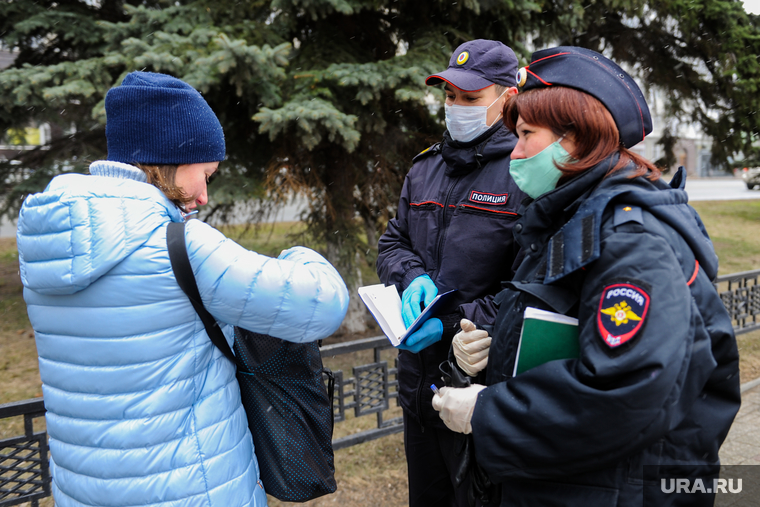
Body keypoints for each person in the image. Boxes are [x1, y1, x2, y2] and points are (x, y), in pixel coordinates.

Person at [16, 71, 349, 507]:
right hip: (190, 489)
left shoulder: (44, 244)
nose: (204, 196)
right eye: (205, 174)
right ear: (172, 157)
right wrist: (299, 256)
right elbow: (323, 304)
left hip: (83, 490)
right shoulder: (182, 246)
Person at [432, 46, 741, 506]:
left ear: (574, 138)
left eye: (526, 135)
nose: (514, 153)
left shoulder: (630, 242)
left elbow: (628, 391)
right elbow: (573, 327)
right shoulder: (574, 216)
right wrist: (497, 349)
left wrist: (487, 412)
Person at [376, 39, 527, 506]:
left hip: (479, 392)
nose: (456, 107)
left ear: (507, 99)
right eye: (450, 96)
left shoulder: (524, 171)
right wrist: (411, 277)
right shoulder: (425, 168)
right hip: (419, 391)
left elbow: (528, 290)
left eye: (470, 98)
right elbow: (392, 242)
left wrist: (454, 319)